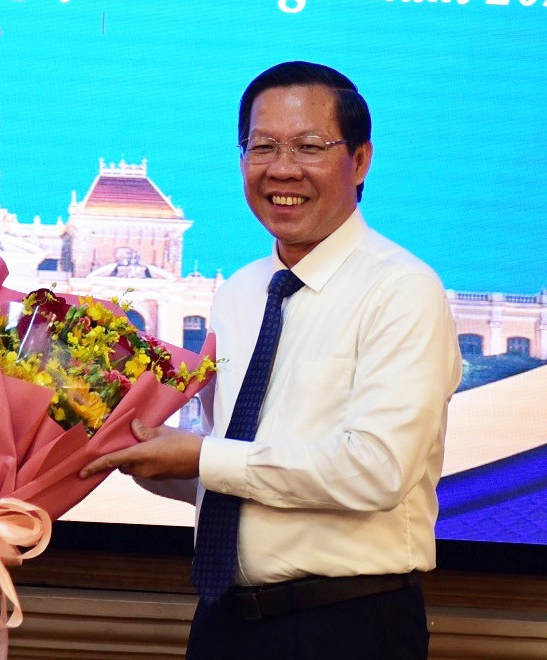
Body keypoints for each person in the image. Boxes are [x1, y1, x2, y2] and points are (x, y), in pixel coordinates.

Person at [81, 61, 462, 659]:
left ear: (360, 160)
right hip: (224, 622)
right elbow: (232, 472)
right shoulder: (239, 292)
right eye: (262, 147)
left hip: (346, 626)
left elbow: (377, 470)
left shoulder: (401, 289)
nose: (282, 169)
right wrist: (134, 450)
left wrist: (201, 456)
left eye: (309, 147)